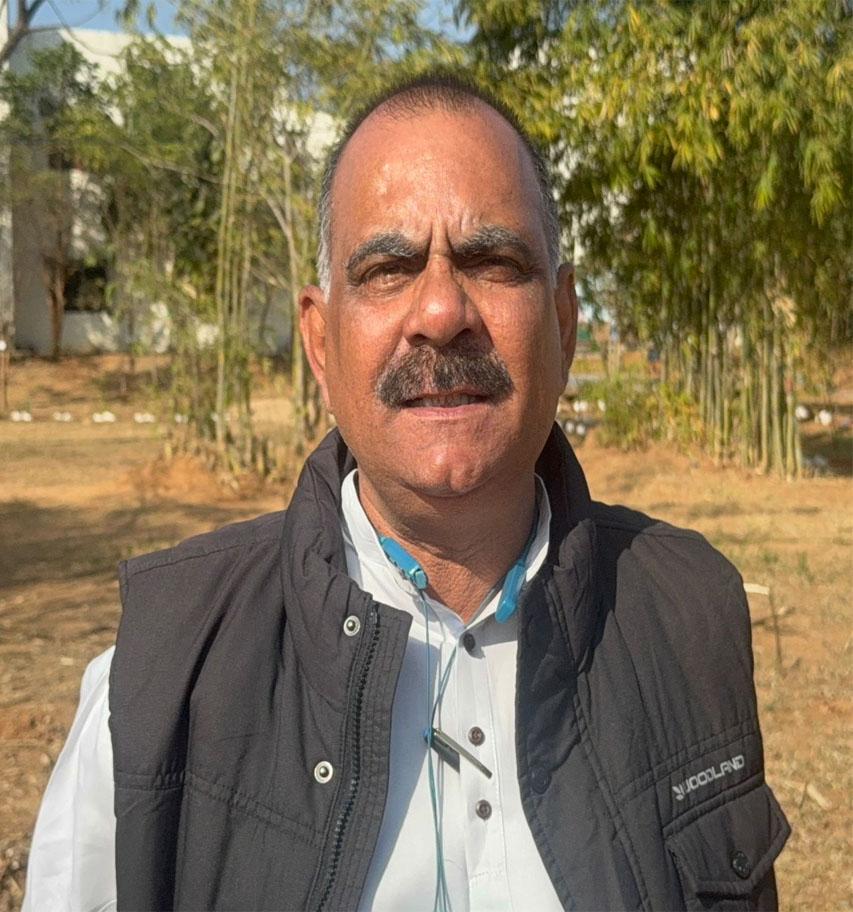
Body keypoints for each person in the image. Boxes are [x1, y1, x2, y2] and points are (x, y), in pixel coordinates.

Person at [24, 72, 790, 912]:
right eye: (388, 269)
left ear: (564, 323)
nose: (439, 311)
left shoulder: (688, 617)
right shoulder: (157, 682)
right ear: (320, 342)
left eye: (492, 262)